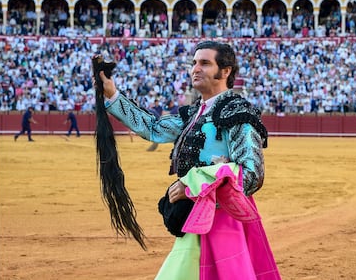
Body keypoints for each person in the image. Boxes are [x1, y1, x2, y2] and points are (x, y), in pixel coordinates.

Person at [97, 41, 281, 279]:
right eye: (194, 63)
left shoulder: (238, 114)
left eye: (205, 63)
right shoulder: (194, 113)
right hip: (196, 218)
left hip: (223, 220)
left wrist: (193, 185)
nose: (196, 68)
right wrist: (112, 94)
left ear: (225, 72)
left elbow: (251, 175)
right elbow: (153, 127)